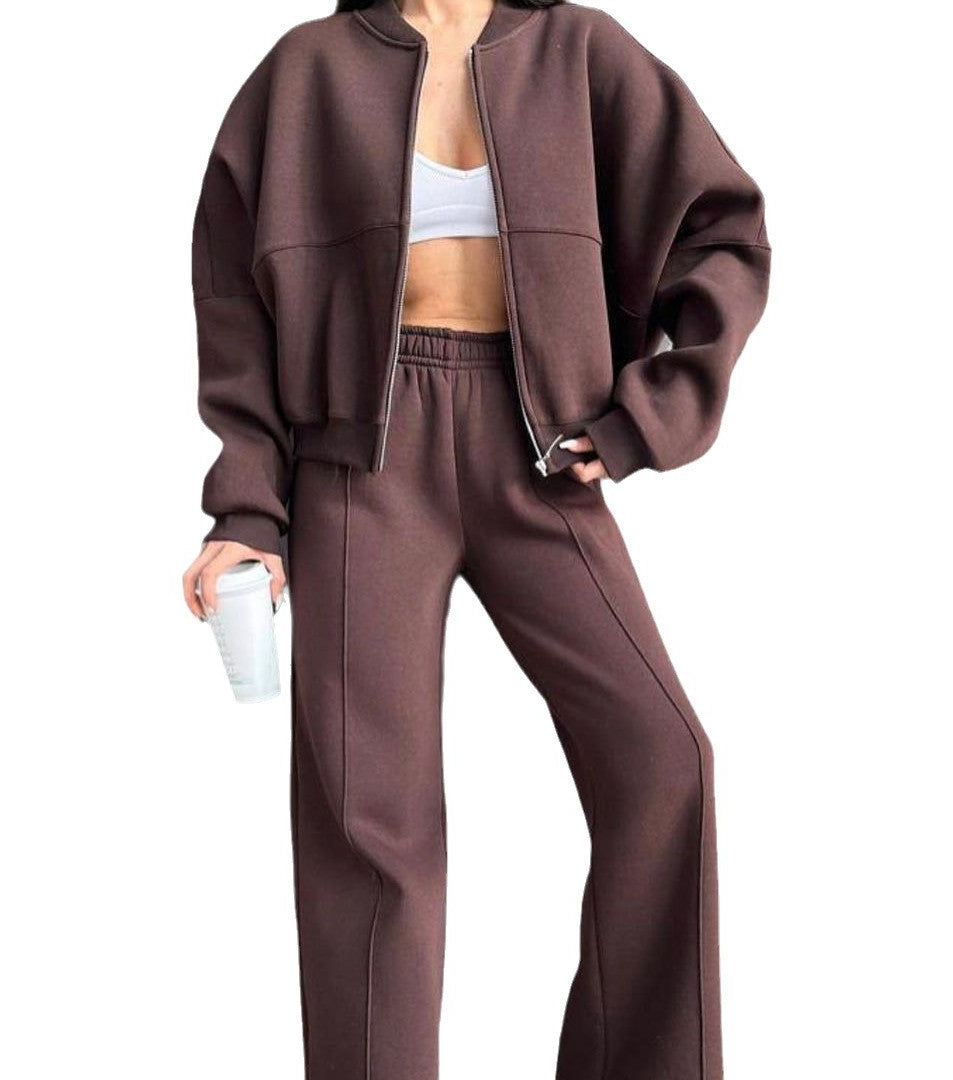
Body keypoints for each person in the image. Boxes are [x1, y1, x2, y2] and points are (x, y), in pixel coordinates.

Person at [181, 0, 771, 1077]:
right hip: (360, 459)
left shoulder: (581, 51)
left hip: (538, 448)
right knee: (369, 824)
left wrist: (644, 417)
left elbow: (722, 229)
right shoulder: (307, 70)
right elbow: (234, 306)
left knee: (663, 759)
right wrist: (247, 512)